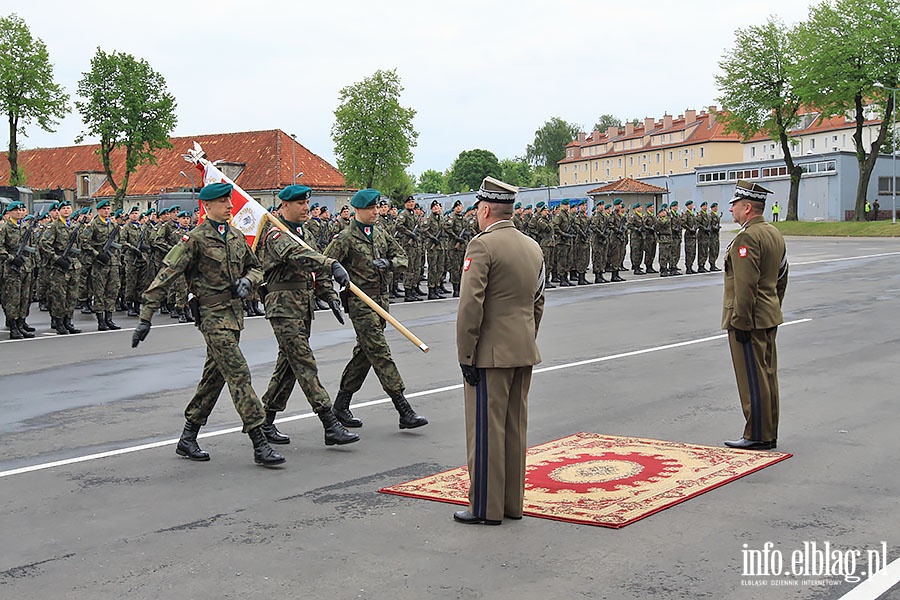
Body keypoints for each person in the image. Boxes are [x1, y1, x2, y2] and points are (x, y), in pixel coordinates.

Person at [132, 182, 285, 467]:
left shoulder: (236, 236)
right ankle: (259, 442)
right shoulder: (195, 240)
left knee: (214, 378)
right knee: (239, 374)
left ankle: (188, 436)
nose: (230, 205)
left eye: (230, 200)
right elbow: (167, 273)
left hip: (234, 315)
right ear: (208, 206)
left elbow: (256, 267)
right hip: (212, 316)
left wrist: (248, 281)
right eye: (224, 201)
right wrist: (146, 316)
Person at [454, 177, 545, 526]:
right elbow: (538, 301)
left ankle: (485, 508)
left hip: (490, 355)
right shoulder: (532, 247)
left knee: (486, 431)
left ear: (486, 209)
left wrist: (466, 355)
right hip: (523, 348)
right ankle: (511, 504)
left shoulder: (482, 247)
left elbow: (470, 307)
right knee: (514, 429)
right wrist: (526, 336)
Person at [256, 185, 359, 447]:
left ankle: (264, 420)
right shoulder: (276, 234)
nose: (305, 208)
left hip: (303, 306)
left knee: (288, 366)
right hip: (283, 307)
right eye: (300, 204)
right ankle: (329, 422)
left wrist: (330, 295)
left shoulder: (305, 233)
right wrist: (331, 264)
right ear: (284, 206)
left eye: (307, 203)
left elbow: (316, 266)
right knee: (304, 362)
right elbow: (299, 256)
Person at [324, 188, 428, 430]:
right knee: (380, 352)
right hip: (361, 303)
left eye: (376, 207)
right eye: (371, 208)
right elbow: (324, 264)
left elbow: (403, 258)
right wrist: (333, 291)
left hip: (381, 302)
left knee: (365, 354)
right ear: (357, 210)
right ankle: (404, 409)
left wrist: (389, 263)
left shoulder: (380, 234)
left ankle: (340, 405)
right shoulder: (344, 239)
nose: (375, 212)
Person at [722, 180, 789, 451]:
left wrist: (741, 320)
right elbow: (782, 276)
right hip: (768, 314)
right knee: (766, 375)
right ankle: (767, 432)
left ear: (748, 208)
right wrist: (773, 304)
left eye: (735, 205)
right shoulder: (773, 233)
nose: (731, 211)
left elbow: (745, 284)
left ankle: (757, 435)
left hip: (749, 319)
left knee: (752, 377)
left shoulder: (748, 237)